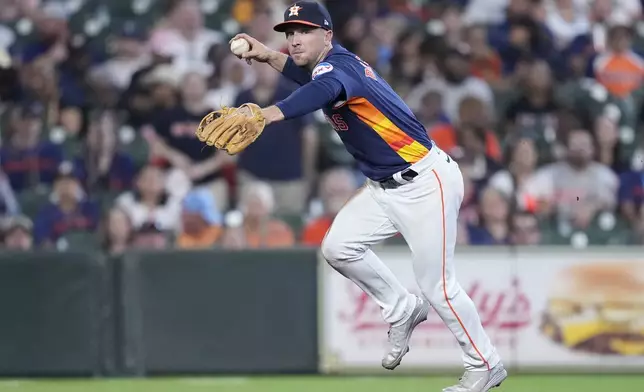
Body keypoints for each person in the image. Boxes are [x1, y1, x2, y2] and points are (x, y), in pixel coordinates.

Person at [229, 2, 506, 391]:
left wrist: (266, 114)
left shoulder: (336, 69)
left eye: (303, 31)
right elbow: (309, 80)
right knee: (338, 247)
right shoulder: (329, 66)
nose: (294, 39)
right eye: (289, 32)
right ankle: (402, 308)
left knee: (438, 286)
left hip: (426, 183)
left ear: (327, 35)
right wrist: (266, 54)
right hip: (383, 187)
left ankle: (485, 364)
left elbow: (317, 90)